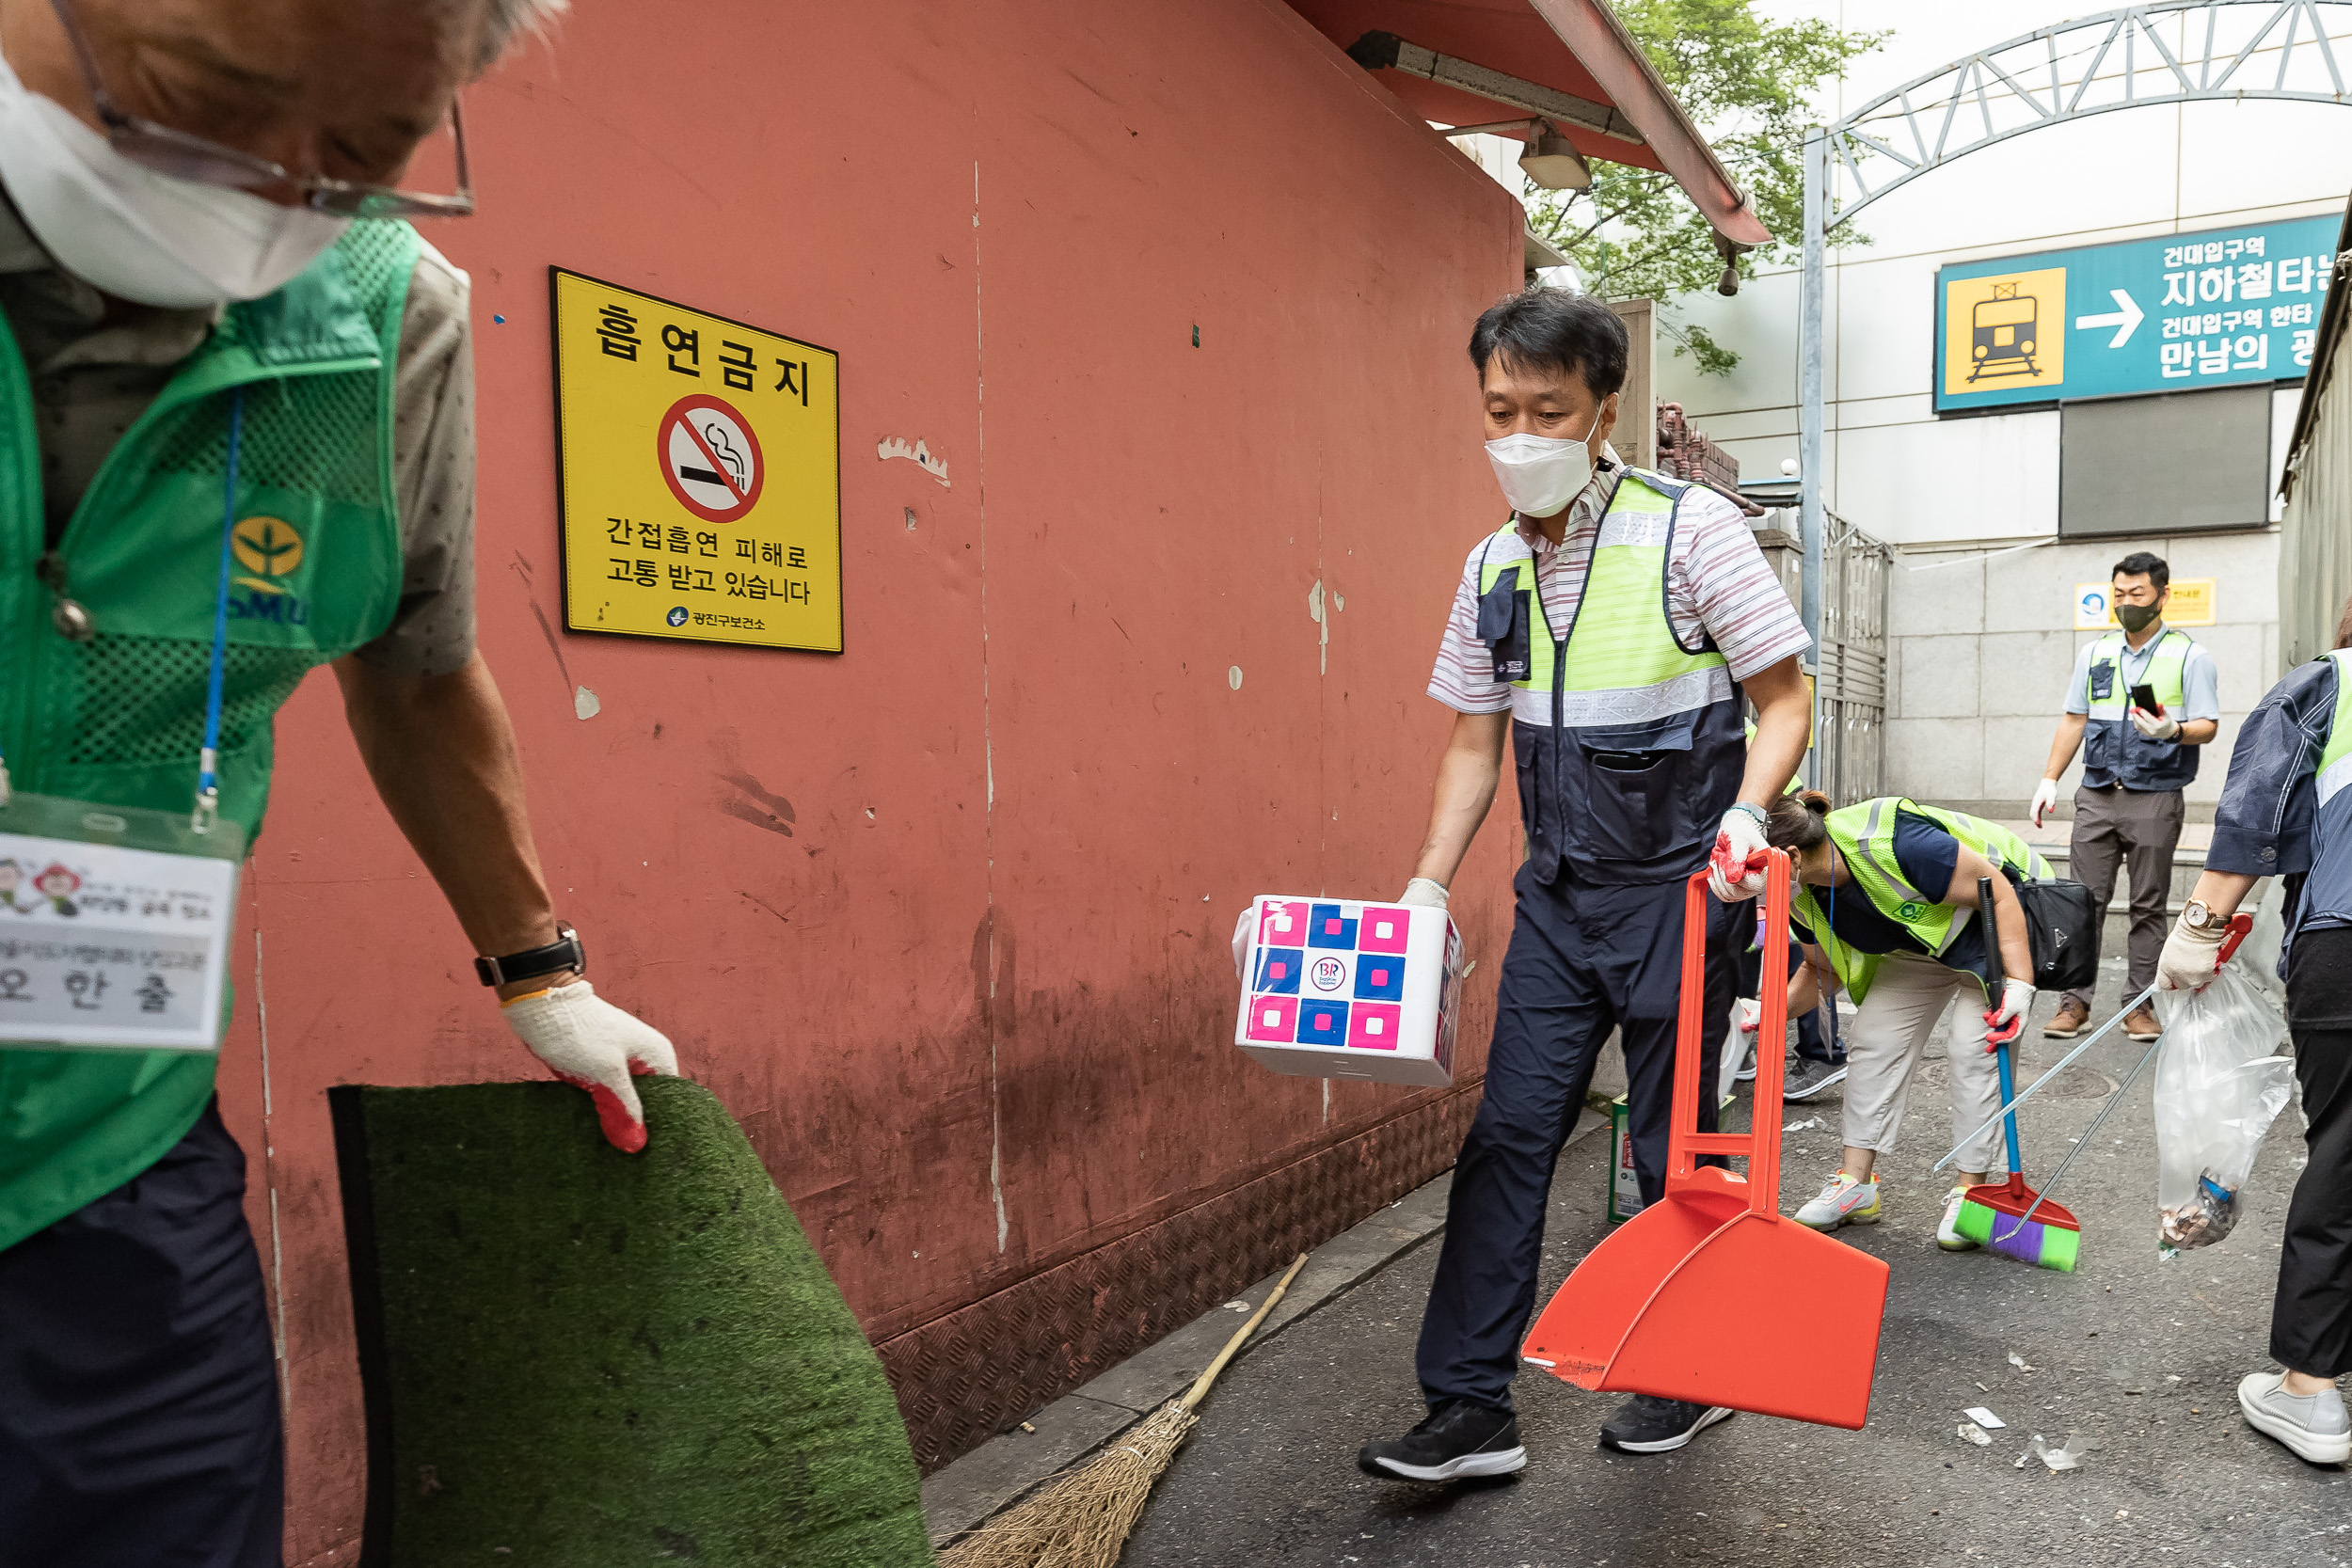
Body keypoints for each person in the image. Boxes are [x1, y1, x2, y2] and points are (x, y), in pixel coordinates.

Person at [0, 4, 678, 1562]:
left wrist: (537, 974)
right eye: (205, 97)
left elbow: (416, 663)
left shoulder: (386, 324)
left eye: (362, 150)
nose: (264, 189)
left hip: (111, 1139)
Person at [1354, 289, 1811, 1482]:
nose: (1520, 434)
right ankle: (1467, 1409)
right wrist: (1425, 883)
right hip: (1556, 896)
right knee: (1509, 1135)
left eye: (1547, 410)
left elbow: (1783, 698)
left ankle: (1682, 1377)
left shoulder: (1691, 530)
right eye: (1498, 409)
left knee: (1675, 1148)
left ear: (1603, 409)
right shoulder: (1492, 566)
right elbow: (1473, 738)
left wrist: (1747, 814)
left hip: (1680, 887)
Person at [2158, 594, 2352, 1467]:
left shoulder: (2330, 682)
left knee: (2346, 1151)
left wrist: (2199, 928)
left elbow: (2257, 810)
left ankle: (2310, 1392)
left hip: (2346, 940)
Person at [1756, 792, 2045, 1248]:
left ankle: (1972, 1194)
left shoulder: (1894, 843)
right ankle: (1857, 1187)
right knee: (1872, 1039)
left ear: (1790, 857)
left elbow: (1998, 889)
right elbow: (1821, 969)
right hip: (1923, 942)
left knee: (1975, 1048)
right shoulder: (1796, 893)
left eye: (1752, 868)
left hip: (1996, 920)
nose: (1745, 883)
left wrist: (2021, 982)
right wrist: (1763, 1014)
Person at [2031, 551, 2219, 1044]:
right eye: (2119, 594)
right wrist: (2049, 779)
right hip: (2097, 793)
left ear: (2163, 595)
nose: (2126, 603)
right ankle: (2074, 1003)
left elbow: (2209, 726)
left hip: (2155, 796)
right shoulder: (2096, 654)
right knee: (2080, 903)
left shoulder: (2189, 656)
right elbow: (2075, 718)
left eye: (2137, 593)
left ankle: (2140, 1005)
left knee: (2148, 905)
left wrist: (2174, 729)